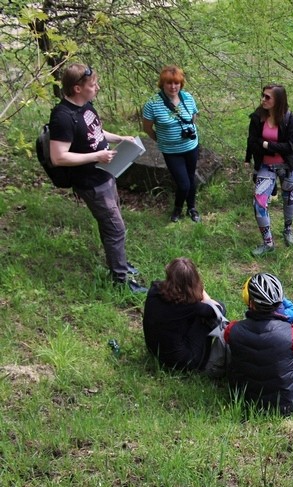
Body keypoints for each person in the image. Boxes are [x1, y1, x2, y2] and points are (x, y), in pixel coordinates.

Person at [48, 63, 146, 293]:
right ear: (77, 88)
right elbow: (58, 157)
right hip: (90, 182)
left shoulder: (86, 106)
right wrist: (97, 156)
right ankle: (121, 280)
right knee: (115, 228)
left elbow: (97, 132)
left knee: (112, 224)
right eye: (92, 85)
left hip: (106, 174)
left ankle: (119, 264)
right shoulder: (62, 117)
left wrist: (121, 138)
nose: (97, 88)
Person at [225, 273, 293, 415]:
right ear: (279, 303)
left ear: (251, 303)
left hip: (246, 400)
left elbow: (227, 336)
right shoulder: (292, 333)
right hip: (288, 403)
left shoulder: (233, 330)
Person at [143, 258, 226, 371]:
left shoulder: (154, 290)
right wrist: (201, 291)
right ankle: (206, 361)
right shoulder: (189, 306)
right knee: (216, 310)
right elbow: (217, 310)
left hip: (154, 350)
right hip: (182, 362)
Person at [245, 84, 293, 255]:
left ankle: (288, 229)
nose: (263, 99)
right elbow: (252, 142)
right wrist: (268, 149)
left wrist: (267, 144)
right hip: (266, 166)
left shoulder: (289, 119)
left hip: (287, 166)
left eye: (268, 97)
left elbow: (290, 146)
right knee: (259, 203)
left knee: (288, 198)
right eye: (263, 95)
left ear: (278, 100)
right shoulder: (257, 117)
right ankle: (268, 243)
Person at [142, 65, 201, 223]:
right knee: (183, 184)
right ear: (162, 84)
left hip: (191, 146)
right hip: (171, 151)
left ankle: (192, 208)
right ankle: (177, 209)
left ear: (181, 83)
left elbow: (194, 117)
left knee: (191, 178)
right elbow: (147, 127)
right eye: (169, 83)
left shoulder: (187, 97)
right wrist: (161, 139)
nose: (173, 87)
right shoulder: (153, 103)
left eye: (177, 83)